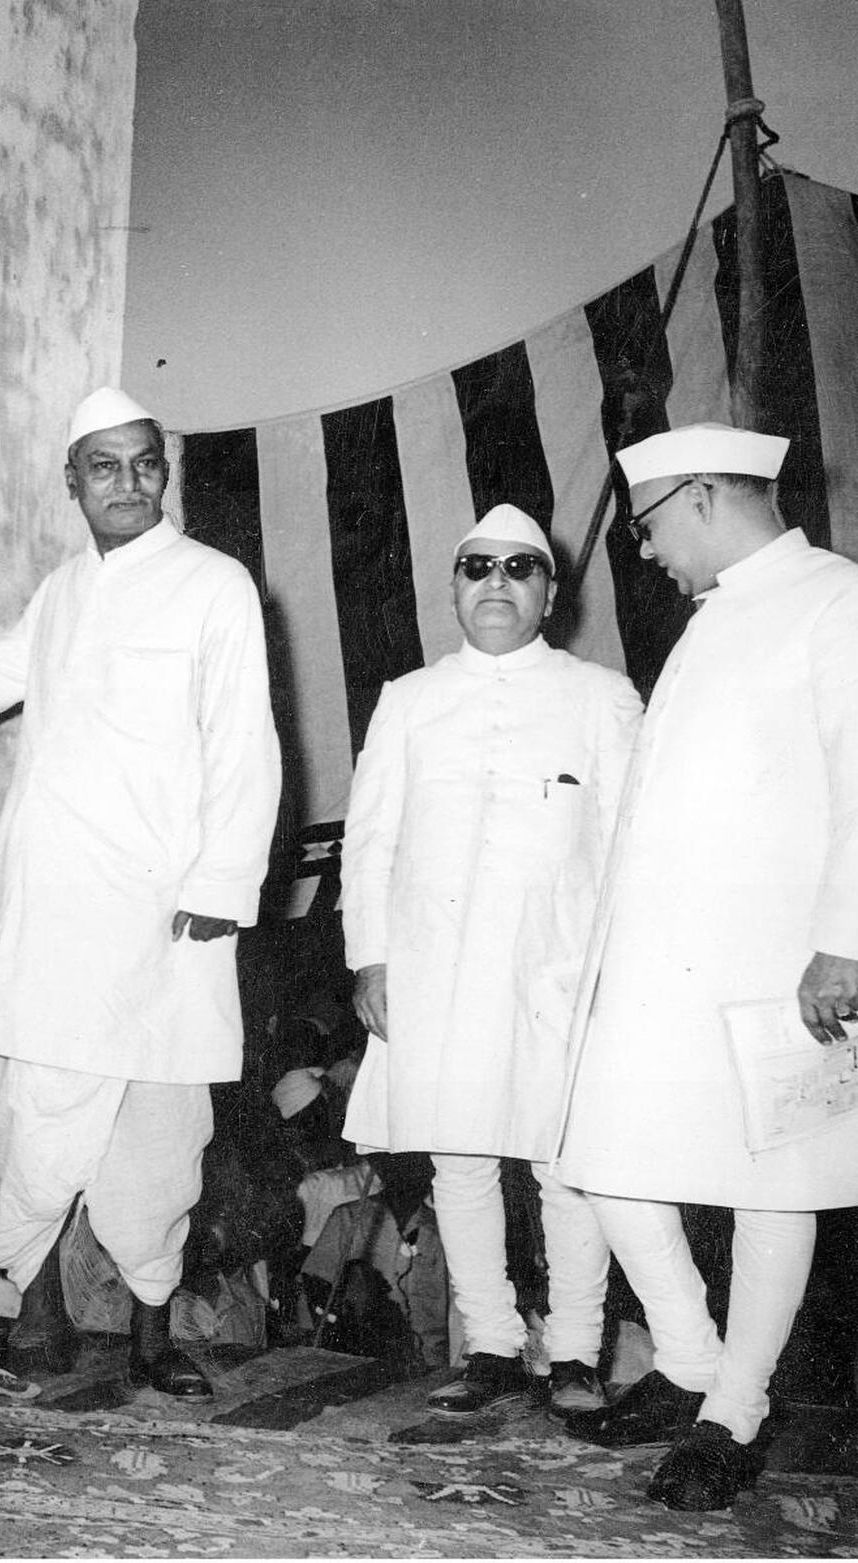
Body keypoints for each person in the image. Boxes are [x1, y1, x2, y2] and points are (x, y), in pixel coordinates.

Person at [0, 386, 282, 1398]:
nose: (126, 484)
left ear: (163, 472)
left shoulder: (217, 586)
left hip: (170, 911)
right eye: (103, 467)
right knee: (35, 1123)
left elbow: (247, 745)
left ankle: (152, 1340)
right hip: (55, 911)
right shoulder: (61, 591)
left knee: (163, 1138)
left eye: (143, 464)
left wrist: (222, 881)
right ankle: (33, 1319)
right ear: (72, 482)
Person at [553, 422, 858, 1509]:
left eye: (644, 527)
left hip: (789, 964)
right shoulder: (716, 619)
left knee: (783, 1181)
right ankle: (686, 1357)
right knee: (604, 1159)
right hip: (666, 967)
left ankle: (735, 1409)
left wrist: (847, 938)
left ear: (695, 498)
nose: (642, 552)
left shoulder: (834, 598)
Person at [341, 504, 643, 1418]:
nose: (499, 583)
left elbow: (634, 844)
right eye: (479, 567)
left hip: (559, 967)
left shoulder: (601, 696)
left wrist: (617, 976)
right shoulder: (409, 698)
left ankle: (578, 1352)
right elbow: (370, 841)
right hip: (434, 969)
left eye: (522, 567)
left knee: (566, 1162)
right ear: (455, 586)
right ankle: (495, 1348)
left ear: (551, 591)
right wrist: (370, 960)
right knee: (461, 1160)